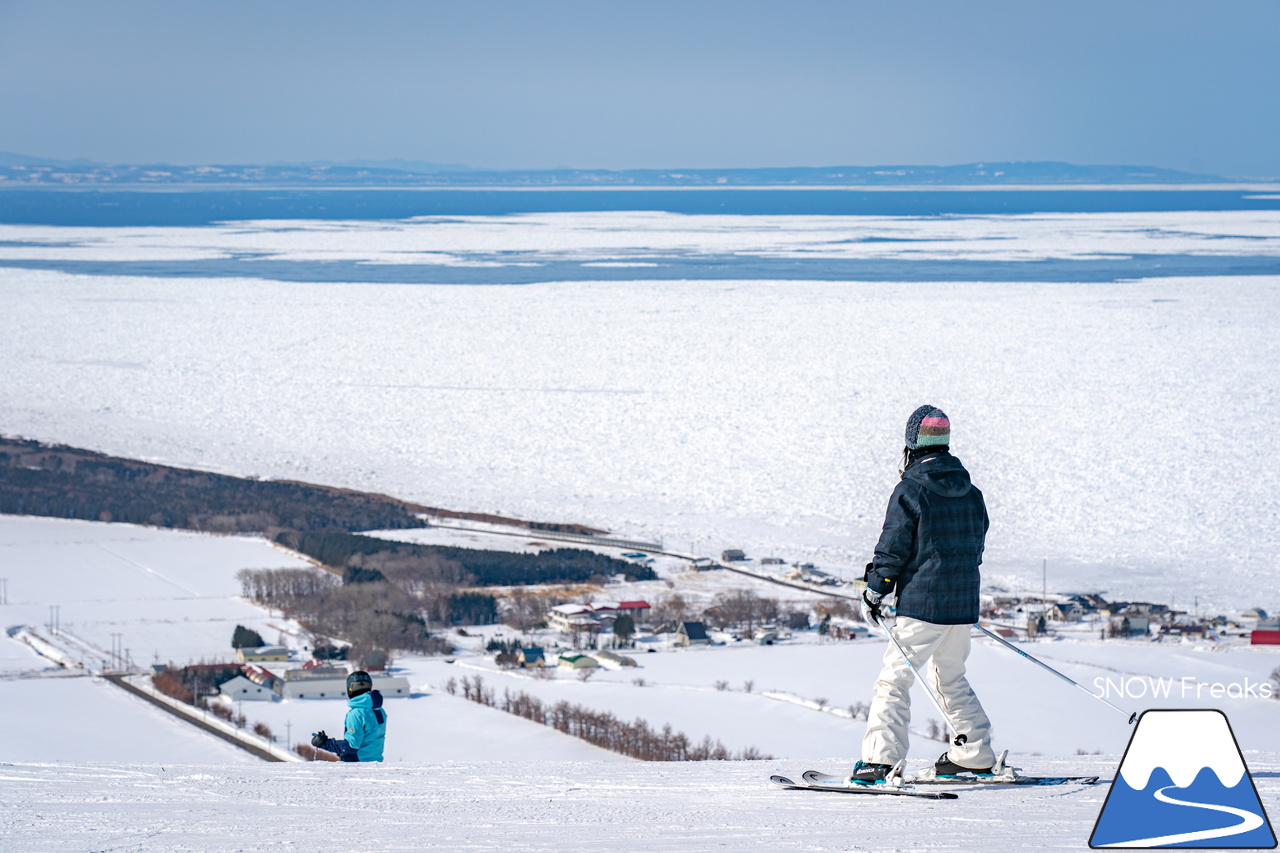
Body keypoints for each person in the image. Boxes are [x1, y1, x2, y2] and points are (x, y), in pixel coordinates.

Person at [849, 405, 996, 784]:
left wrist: (875, 590)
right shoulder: (972, 493)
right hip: (962, 606)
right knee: (951, 677)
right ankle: (974, 754)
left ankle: (879, 762)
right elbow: (975, 548)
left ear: (911, 443)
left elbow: (892, 548)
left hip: (922, 606)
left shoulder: (910, 489)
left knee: (894, 680)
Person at [310, 670, 388, 762]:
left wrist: (324, 743)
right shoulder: (378, 710)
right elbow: (370, 738)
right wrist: (342, 751)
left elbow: (351, 746)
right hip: (375, 762)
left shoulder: (357, 713)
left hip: (359, 763)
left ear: (350, 689)